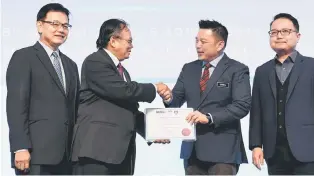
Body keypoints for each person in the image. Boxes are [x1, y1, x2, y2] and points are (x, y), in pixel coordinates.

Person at [71, 18, 169, 175]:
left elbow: (131, 110)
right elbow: (123, 91)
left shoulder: (123, 72)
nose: (132, 46)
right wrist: (154, 88)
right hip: (97, 153)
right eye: (129, 41)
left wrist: (152, 131)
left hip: (119, 155)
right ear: (113, 41)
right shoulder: (95, 61)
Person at [249, 13, 314, 175]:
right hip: (274, 151)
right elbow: (257, 112)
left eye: (285, 31)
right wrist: (256, 145)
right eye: (274, 32)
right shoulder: (262, 71)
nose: (279, 36)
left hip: (308, 150)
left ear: (297, 36)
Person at [162, 20, 251, 175]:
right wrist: (168, 97)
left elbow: (241, 106)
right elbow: (176, 100)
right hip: (192, 150)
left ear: (220, 45)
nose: (198, 46)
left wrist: (209, 117)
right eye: (196, 41)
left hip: (223, 151)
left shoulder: (237, 69)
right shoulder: (189, 68)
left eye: (203, 42)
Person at [6, 3, 80, 175]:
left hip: (67, 156)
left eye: (65, 25)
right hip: (35, 155)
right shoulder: (24, 57)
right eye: (54, 24)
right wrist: (20, 146)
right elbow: (16, 105)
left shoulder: (71, 65)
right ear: (40, 25)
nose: (60, 30)